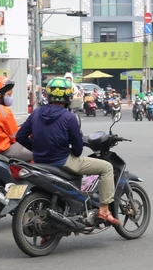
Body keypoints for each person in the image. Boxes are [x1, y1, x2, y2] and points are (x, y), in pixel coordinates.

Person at [17, 78, 119, 225]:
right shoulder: (69, 117)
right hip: (62, 161)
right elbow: (77, 149)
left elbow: (20, 136)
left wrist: (37, 148)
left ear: (48, 95)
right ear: (68, 97)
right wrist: (71, 149)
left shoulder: (36, 113)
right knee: (107, 167)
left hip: (39, 161)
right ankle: (104, 210)